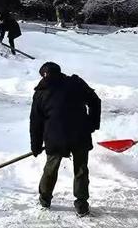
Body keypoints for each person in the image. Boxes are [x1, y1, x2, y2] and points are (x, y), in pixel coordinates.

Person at [30, 62, 101, 216]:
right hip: (66, 135)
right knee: (74, 170)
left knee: (60, 169)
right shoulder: (73, 84)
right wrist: (92, 124)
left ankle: (49, 199)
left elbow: (36, 122)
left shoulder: (46, 90)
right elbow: (36, 121)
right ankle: (69, 202)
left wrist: (92, 124)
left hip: (68, 135)